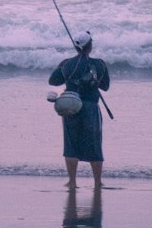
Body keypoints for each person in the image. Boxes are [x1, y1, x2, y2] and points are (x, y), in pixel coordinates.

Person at [47, 31, 110, 191]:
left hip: (71, 106)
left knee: (71, 144)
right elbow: (105, 86)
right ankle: (97, 182)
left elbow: (53, 80)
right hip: (91, 108)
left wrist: (67, 73)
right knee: (95, 146)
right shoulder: (100, 64)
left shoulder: (67, 64)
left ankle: (72, 181)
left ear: (76, 47)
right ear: (90, 46)